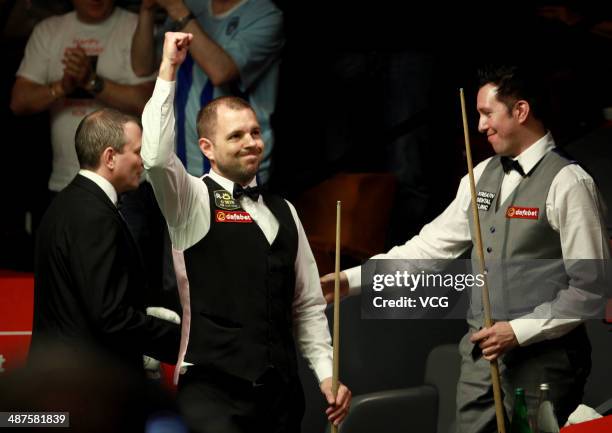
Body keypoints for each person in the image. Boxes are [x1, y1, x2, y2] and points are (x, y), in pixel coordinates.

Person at [321, 65, 610, 432]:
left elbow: (591, 289)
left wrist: (517, 331)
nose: (480, 126)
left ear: (520, 111)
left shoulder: (569, 183)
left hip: (544, 363)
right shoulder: (479, 176)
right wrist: (349, 281)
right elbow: (427, 250)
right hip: (480, 360)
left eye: (487, 113)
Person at [142, 32, 351, 432]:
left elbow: (306, 305)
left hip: (282, 396)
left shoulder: (285, 210)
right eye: (235, 136)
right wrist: (168, 68)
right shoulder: (190, 200)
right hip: (212, 394)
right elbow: (154, 158)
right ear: (207, 147)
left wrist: (326, 373)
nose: (251, 143)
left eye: (255, 133)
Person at [31, 108, 180, 372]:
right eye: (137, 151)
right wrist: (183, 342)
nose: (144, 161)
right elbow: (109, 317)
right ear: (110, 157)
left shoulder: (70, 202)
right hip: (86, 386)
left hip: (64, 378)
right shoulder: (93, 216)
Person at [10, 0, 154, 199]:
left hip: (128, 184)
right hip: (66, 180)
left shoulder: (138, 26)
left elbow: (149, 102)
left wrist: (92, 81)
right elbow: (19, 102)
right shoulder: (49, 30)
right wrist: (62, 87)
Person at [131, 0, 284, 184]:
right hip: (181, 162)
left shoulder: (265, 15)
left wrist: (176, 8)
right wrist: (147, 10)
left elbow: (221, 71)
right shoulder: (193, 4)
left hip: (235, 166)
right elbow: (142, 67)